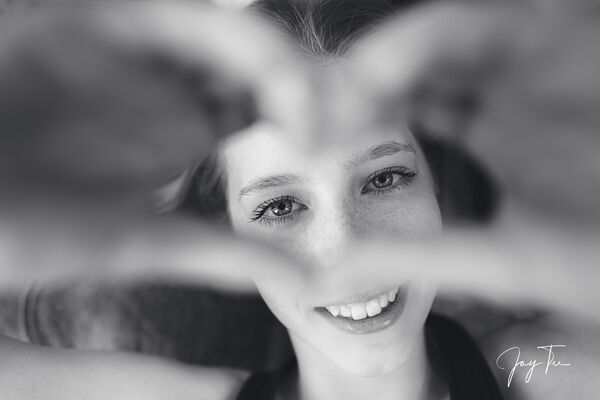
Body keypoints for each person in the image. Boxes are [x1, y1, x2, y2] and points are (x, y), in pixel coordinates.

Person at [1, 1, 599, 400]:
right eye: (280, 207)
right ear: (225, 230)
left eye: (385, 178)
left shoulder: (535, 373)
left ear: (435, 182)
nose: (344, 249)